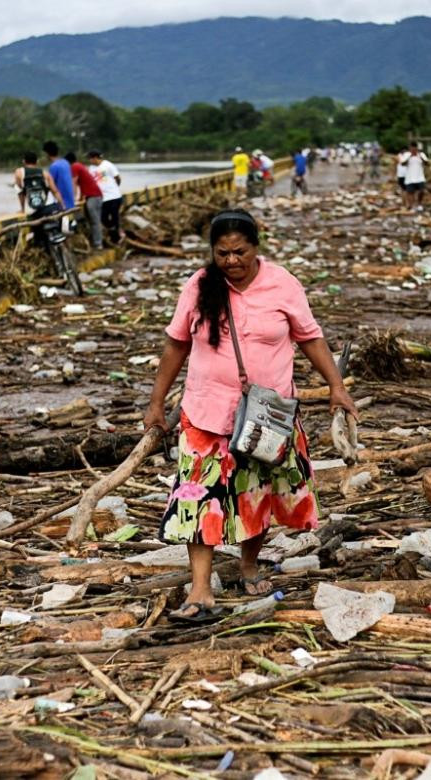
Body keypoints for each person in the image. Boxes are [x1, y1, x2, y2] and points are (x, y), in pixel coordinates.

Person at [144, 209, 357, 622]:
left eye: (239, 251)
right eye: (222, 253)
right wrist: (157, 402)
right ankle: (201, 588)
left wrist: (337, 386)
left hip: (266, 414)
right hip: (206, 413)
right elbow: (176, 345)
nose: (231, 261)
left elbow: (310, 338)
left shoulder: (283, 284)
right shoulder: (201, 285)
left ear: (257, 247)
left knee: (255, 492)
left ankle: (248, 565)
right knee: (197, 499)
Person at [65, 151, 104, 250]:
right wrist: (81, 197)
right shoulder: (79, 166)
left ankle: (98, 243)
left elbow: (73, 183)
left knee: (95, 220)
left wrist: (72, 199)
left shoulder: (74, 167)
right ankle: (96, 242)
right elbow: (82, 184)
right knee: (92, 220)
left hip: (93, 196)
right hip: (93, 195)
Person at [89, 150, 123, 245]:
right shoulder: (91, 168)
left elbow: (118, 178)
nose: (90, 160)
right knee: (103, 218)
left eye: (91, 158)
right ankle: (114, 232)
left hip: (114, 196)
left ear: (95, 158)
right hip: (102, 198)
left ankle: (115, 239)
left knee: (114, 217)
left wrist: (115, 188)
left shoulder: (108, 165)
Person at [43, 141, 75, 216]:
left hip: (62, 204)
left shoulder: (54, 167)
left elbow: (51, 186)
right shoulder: (66, 163)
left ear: (47, 153)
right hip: (71, 202)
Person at [403, 141, 429, 210]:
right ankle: (412, 206)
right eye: (412, 148)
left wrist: (420, 157)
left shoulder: (421, 154)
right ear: (410, 148)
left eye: (414, 148)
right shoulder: (407, 154)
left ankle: (419, 203)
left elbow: (427, 163)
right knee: (410, 193)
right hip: (410, 178)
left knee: (422, 191)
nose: (413, 149)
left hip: (420, 177)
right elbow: (403, 164)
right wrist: (410, 156)